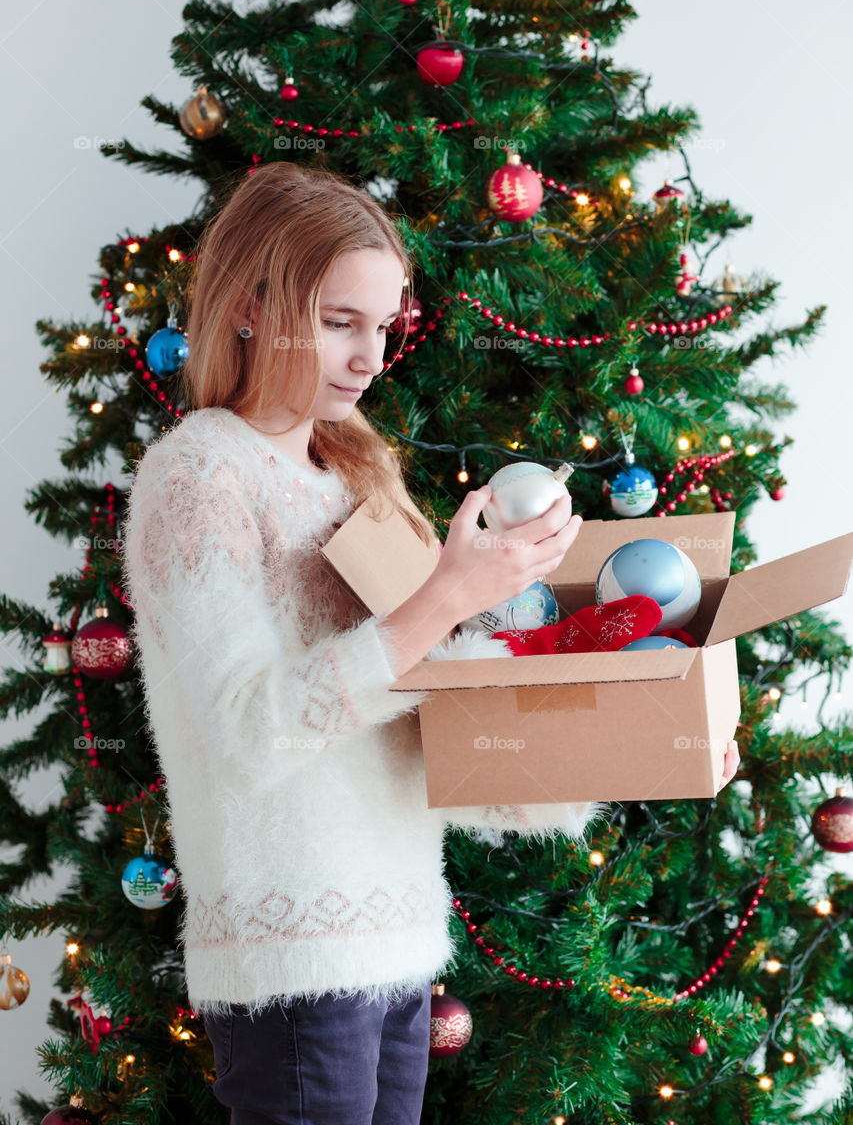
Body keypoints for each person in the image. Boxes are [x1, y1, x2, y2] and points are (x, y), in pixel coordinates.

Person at [121, 160, 739, 1125]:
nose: (370, 357)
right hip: (294, 966)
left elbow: (437, 732)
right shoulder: (199, 474)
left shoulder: (353, 479)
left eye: (383, 325)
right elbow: (249, 730)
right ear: (249, 303)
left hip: (400, 945)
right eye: (339, 322)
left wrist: (658, 742)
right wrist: (443, 597)